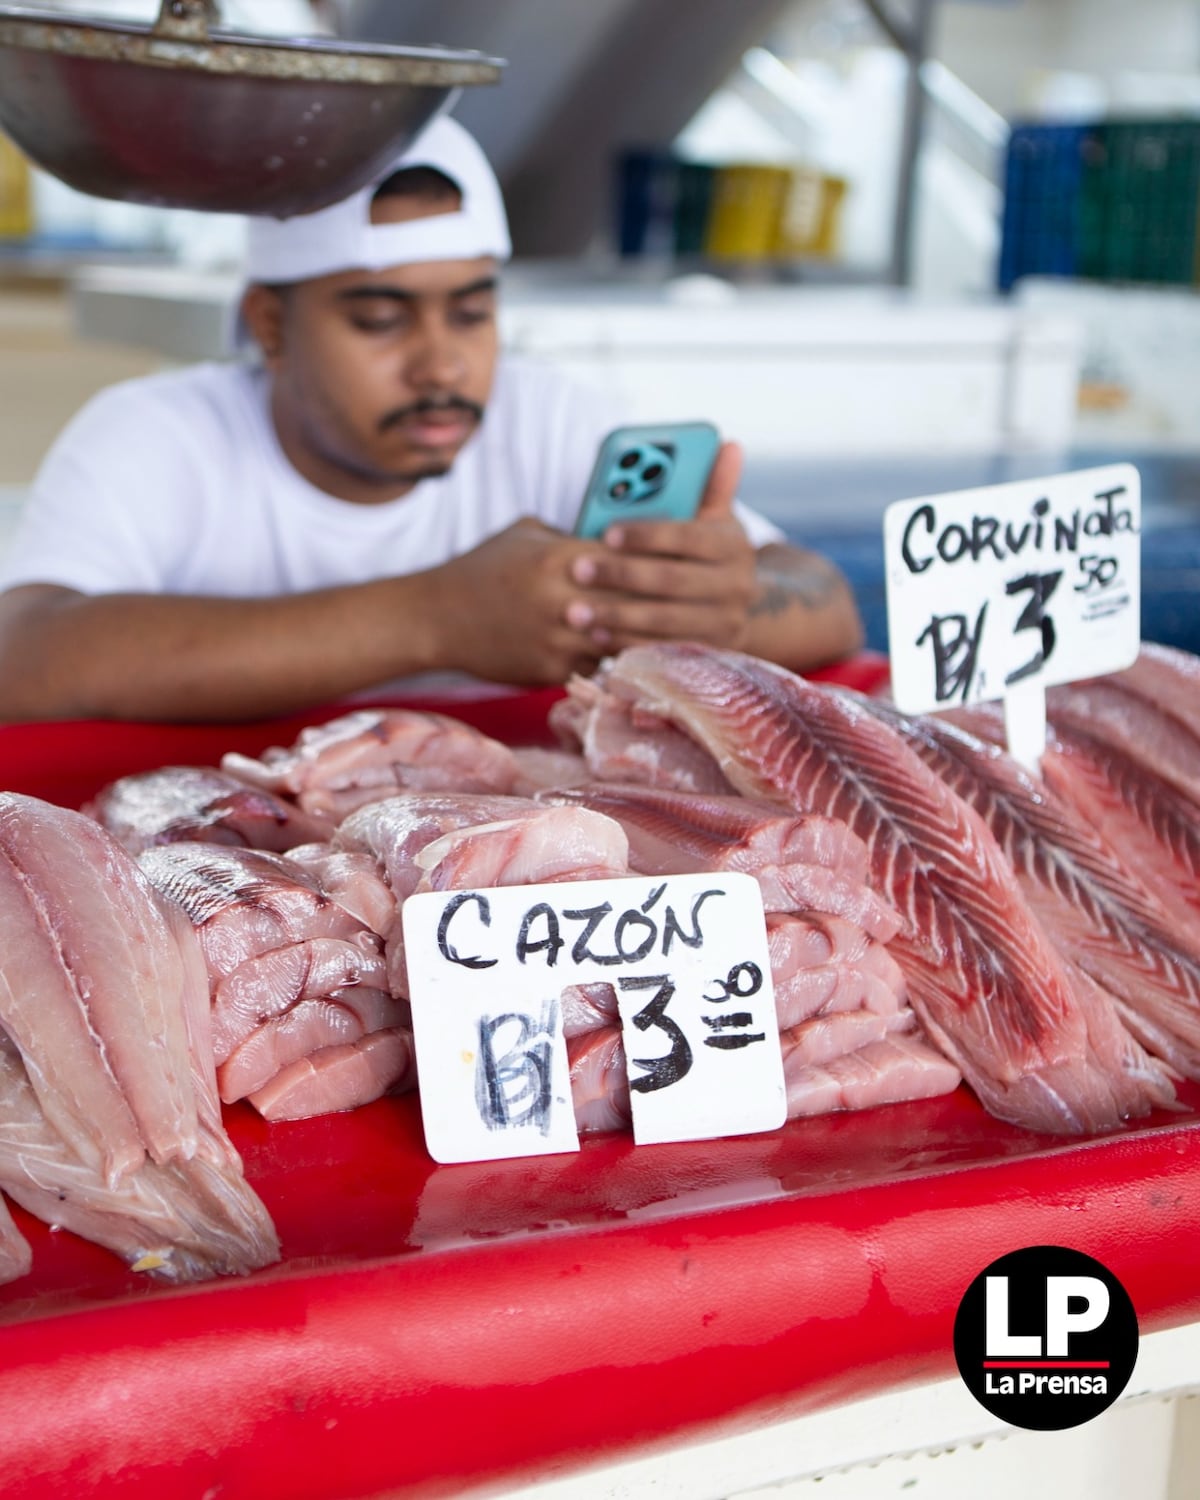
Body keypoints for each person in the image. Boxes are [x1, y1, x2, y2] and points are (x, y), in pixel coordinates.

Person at [0, 117, 863, 723]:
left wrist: (722, 609)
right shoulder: (157, 436)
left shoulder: (546, 413)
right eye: (380, 320)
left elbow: (827, 606)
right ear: (270, 326)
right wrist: (434, 619)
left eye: (472, 313)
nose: (442, 365)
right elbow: (25, 657)